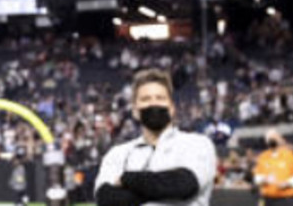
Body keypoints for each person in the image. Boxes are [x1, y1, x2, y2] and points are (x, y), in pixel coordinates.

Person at [93, 68, 217, 206]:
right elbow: (105, 198)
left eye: (160, 98)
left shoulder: (197, 144)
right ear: (135, 111)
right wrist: (161, 189)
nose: (153, 103)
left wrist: (127, 179)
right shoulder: (117, 154)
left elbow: (185, 184)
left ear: (172, 108)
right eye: (145, 99)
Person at [252, 129, 293, 206]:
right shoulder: (263, 157)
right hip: (268, 199)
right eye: (269, 139)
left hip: (287, 199)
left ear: (279, 140)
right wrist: (264, 179)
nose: (271, 140)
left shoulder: (290, 155)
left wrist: (287, 183)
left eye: (274, 138)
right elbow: (257, 177)